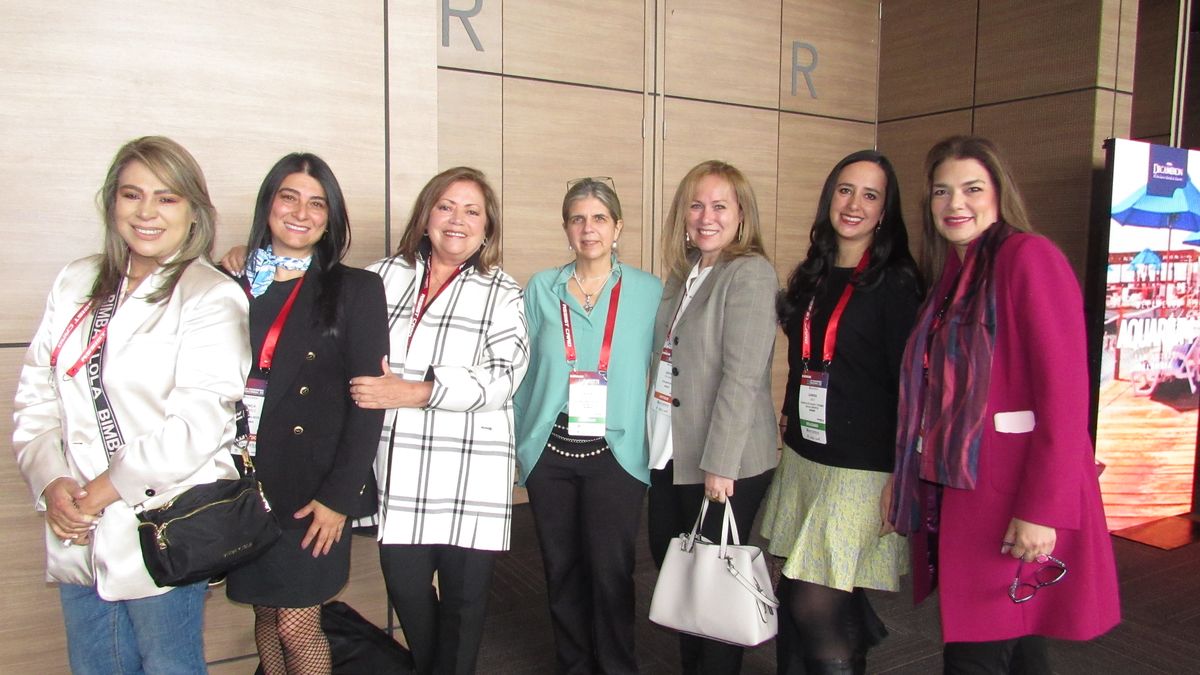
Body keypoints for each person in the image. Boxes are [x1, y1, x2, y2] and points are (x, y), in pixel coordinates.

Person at [12, 136, 249, 673]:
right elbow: (37, 395)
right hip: (77, 526)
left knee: (170, 665)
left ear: (194, 212)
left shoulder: (210, 295)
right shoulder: (77, 281)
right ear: (111, 202)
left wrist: (96, 496)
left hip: (158, 528)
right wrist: (53, 485)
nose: (146, 212)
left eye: (166, 198)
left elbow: (196, 426)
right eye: (131, 195)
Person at [888, 135, 1120, 673]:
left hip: (1013, 495)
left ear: (998, 193)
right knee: (1012, 637)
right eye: (941, 192)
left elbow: (1064, 400)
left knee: (978, 648)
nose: (954, 204)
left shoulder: (1028, 257)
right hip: (966, 489)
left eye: (971, 188)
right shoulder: (954, 273)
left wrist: (1041, 511)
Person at [349, 166, 529, 675]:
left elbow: (501, 379)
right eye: (447, 206)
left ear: (487, 227)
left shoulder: (503, 292)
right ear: (426, 214)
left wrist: (413, 390)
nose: (458, 220)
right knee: (408, 595)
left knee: (464, 612)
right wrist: (251, 261)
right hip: (401, 469)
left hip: (470, 473)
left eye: (472, 211)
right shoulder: (382, 277)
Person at [222, 153, 388, 674]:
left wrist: (339, 498)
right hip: (242, 483)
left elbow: (369, 403)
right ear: (268, 204)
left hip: (312, 492)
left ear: (330, 217)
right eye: (288, 196)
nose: (301, 212)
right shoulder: (230, 283)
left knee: (298, 624)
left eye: (317, 203)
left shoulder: (356, 289)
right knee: (268, 613)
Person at [760, 150, 921, 675]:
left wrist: (904, 471)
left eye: (870, 195)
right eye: (845, 190)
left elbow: (910, 386)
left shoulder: (895, 283)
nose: (854, 204)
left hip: (861, 466)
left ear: (884, 211)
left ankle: (852, 642)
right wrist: (789, 421)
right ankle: (853, 635)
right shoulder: (814, 273)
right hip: (806, 457)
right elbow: (804, 361)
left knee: (814, 603)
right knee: (797, 593)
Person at [513, 178, 662, 674]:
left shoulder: (648, 291)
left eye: (599, 218)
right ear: (566, 228)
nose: (588, 228)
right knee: (561, 570)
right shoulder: (541, 288)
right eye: (577, 218)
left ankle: (618, 666)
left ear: (617, 227)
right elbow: (523, 370)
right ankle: (574, 665)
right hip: (551, 452)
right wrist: (517, 448)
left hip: (615, 454)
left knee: (612, 571)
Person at [646, 160, 779, 674]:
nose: (706, 216)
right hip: (672, 451)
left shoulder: (749, 272)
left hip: (724, 462)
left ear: (741, 215)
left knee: (717, 584)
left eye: (720, 205)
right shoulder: (684, 274)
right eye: (696, 205)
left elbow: (742, 378)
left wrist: (719, 467)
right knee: (680, 573)